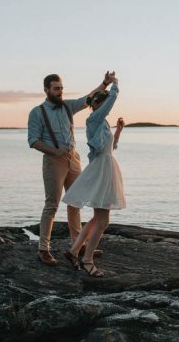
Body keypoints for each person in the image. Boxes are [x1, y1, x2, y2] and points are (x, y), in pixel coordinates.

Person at [27, 72, 112, 266]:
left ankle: (77, 245)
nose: (60, 92)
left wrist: (104, 84)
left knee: (76, 202)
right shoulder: (37, 112)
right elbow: (33, 141)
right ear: (46, 90)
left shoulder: (67, 106)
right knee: (52, 205)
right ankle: (43, 249)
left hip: (74, 159)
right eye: (56, 89)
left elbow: (88, 98)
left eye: (61, 89)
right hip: (53, 161)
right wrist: (55, 151)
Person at [62, 74, 126, 277]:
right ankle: (87, 260)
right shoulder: (94, 119)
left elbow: (110, 147)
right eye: (105, 102)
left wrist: (119, 130)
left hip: (106, 167)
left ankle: (74, 252)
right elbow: (112, 99)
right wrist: (115, 84)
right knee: (103, 221)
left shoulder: (103, 123)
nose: (108, 105)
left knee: (97, 218)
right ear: (98, 104)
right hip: (101, 170)